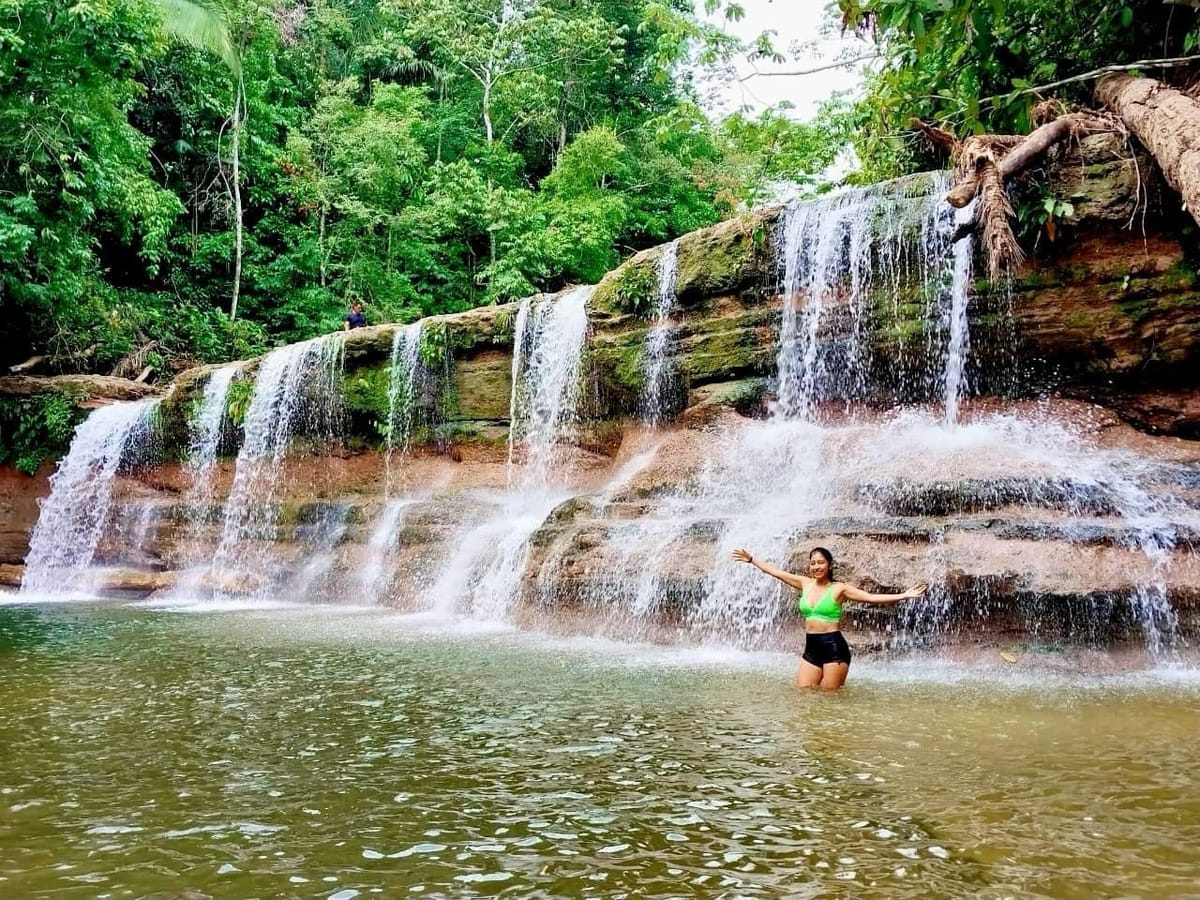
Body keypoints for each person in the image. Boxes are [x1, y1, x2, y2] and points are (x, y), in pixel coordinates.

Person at [732, 546, 927, 690]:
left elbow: (871, 598)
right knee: (803, 693)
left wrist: (904, 595)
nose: (816, 567)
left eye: (821, 562)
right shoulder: (804, 583)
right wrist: (752, 560)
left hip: (834, 647)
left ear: (829, 565)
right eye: (813, 563)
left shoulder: (839, 588)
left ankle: (833, 739)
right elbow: (775, 572)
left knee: (830, 700)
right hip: (812, 646)